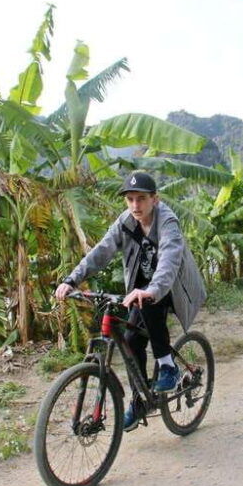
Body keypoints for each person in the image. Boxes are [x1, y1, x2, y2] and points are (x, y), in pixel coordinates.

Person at [55, 171, 206, 431]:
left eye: (141, 199)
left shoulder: (167, 221)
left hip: (170, 285)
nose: (135, 205)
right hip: (141, 288)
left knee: (149, 304)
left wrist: (152, 290)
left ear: (154, 199)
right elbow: (101, 251)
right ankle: (139, 400)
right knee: (132, 339)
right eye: (130, 199)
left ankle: (167, 366)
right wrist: (71, 280)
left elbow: (170, 258)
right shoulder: (126, 222)